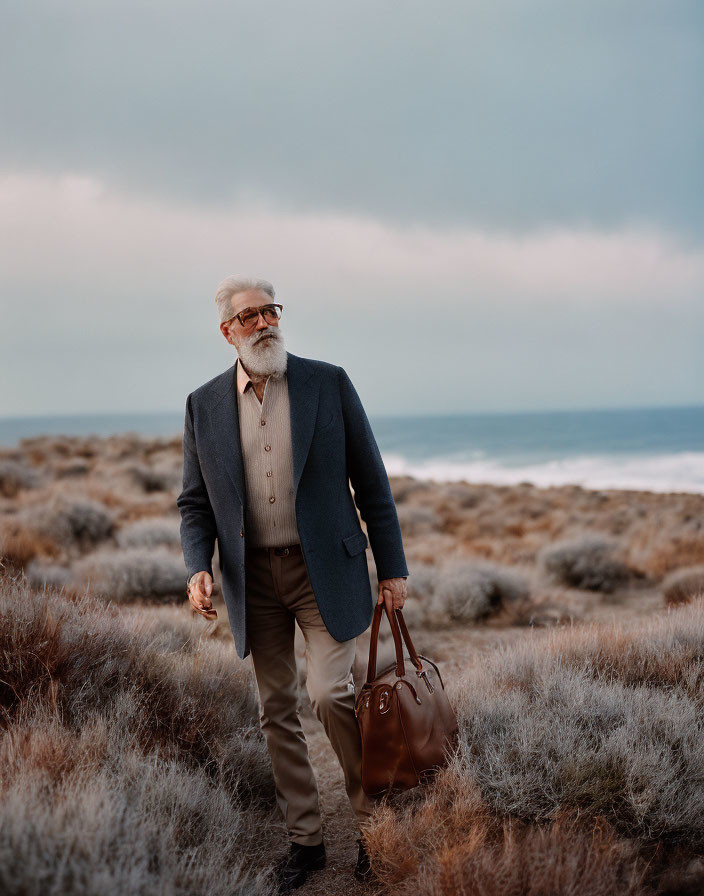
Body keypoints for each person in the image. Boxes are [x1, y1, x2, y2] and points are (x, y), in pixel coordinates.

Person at [177, 276, 408, 893]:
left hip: (324, 569)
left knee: (331, 692)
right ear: (227, 331)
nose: (264, 324)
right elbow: (194, 504)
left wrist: (394, 567)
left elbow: (372, 480)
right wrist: (198, 564)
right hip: (251, 578)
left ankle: (370, 827)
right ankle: (305, 841)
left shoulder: (326, 383)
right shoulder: (203, 405)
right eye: (249, 316)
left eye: (270, 311)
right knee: (274, 709)